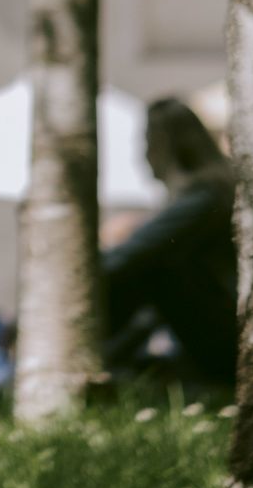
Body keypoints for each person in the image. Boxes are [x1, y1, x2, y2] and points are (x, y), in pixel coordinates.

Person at [102, 96, 242, 386]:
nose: (143, 156)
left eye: (147, 142)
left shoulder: (205, 198)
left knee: (150, 266)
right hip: (228, 333)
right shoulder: (214, 192)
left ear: (166, 146)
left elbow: (128, 257)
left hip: (229, 343)